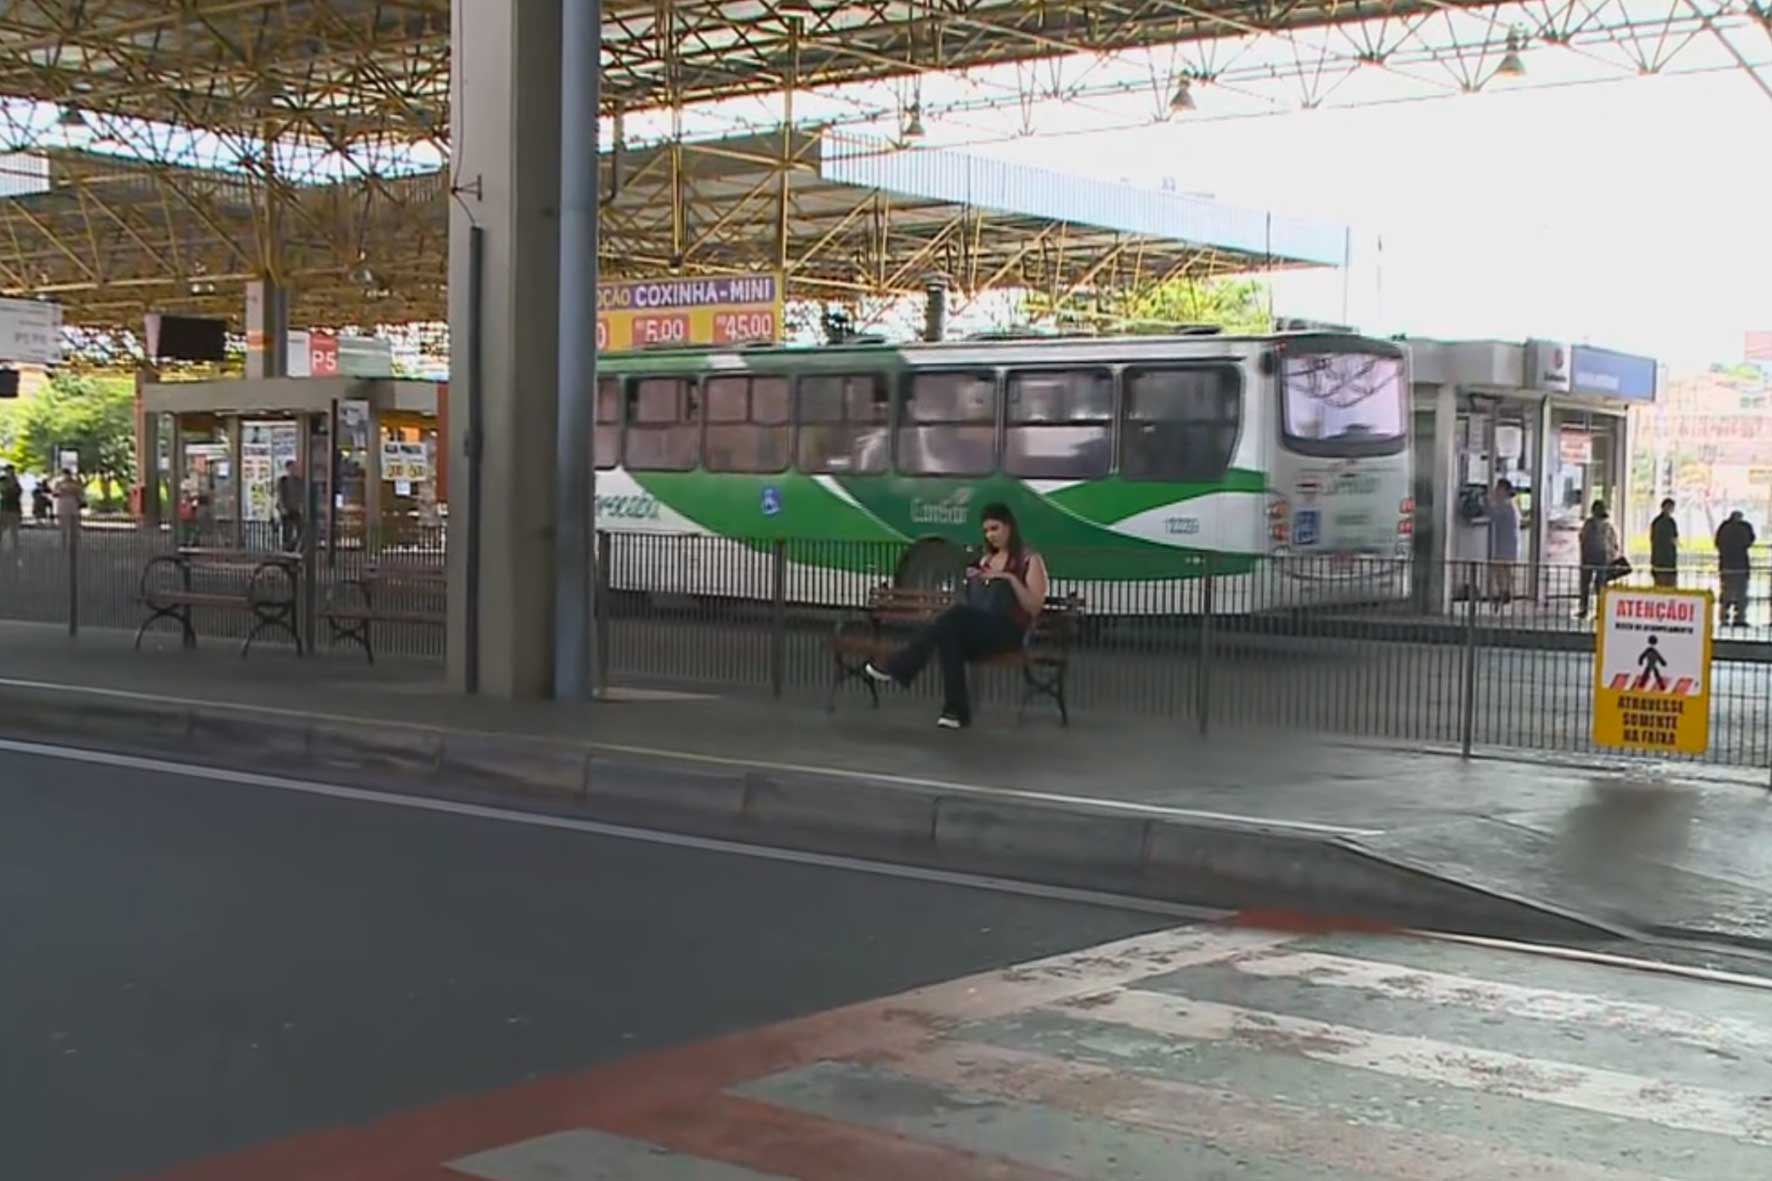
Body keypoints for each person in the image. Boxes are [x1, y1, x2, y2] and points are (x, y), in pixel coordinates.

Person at [863, 503, 1049, 729]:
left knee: (953, 617)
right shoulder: (985, 560)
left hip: (1009, 631)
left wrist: (1010, 579)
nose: (991, 535)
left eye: (995, 528)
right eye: (987, 531)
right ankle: (955, 713)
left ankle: (901, 666)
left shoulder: (1030, 559)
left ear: (1009, 527)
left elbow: (1034, 606)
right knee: (948, 637)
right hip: (981, 628)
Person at [1577, 500, 1620, 621]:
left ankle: (1587, 609)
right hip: (1601, 558)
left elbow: (1582, 539)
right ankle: (1598, 610)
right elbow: (1614, 544)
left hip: (1591, 557)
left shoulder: (1590, 524)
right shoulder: (1607, 525)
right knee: (1599, 586)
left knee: (1589, 585)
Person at [1715, 509, 1756, 628]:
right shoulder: (1745, 528)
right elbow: (1750, 540)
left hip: (1726, 565)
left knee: (1726, 592)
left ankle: (1724, 617)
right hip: (1741, 565)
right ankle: (1739, 618)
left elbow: (1718, 543)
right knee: (1741, 594)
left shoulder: (1724, 528)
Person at [1486, 478, 1519, 607]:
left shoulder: (1506, 505)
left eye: (1498, 489)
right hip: (1508, 542)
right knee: (1505, 569)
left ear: (1504, 490)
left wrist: (1488, 502)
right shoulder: (1510, 504)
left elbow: (1493, 515)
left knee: (1501, 568)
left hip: (1505, 543)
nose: (1496, 491)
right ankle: (1506, 592)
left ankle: (1504, 592)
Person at [276, 460, 305, 550]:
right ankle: (286, 548)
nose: (294, 470)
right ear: (287, 469)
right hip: (287, 510)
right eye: (292, 468)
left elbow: (301, 495)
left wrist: (301, 506)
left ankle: (295, 547)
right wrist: (283, 508)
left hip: (296, 509)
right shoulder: (283, 481)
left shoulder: (299, 481)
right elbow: (280, 495)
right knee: (287, 531)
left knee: (300, 530)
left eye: (295, 468)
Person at [1650, 497, 1679, 588]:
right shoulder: (1666, 522)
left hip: (1662, 559)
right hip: (1664, 559)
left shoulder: (1660, 522)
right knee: (1666, 585)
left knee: (1661, 585)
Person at [0, 464, 22, 563]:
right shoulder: (3, 481)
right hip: (5, 507)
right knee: (2, 528)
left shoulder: (16, 482)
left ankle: (15, 547)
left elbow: (17, 493)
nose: (9, 473)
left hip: (13, 508)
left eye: (10, 471)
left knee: (14, 530)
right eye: (8, 471)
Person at [52, 469, 84, 533]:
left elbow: (79, 494)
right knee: (67, 525)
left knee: (71, 524)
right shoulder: (60, 484)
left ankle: (70, 539)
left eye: (66, 475)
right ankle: (68, 539)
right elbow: (55, 494)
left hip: (69, 505)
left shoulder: (61, 484)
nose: (66, 476)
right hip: (67, 505)